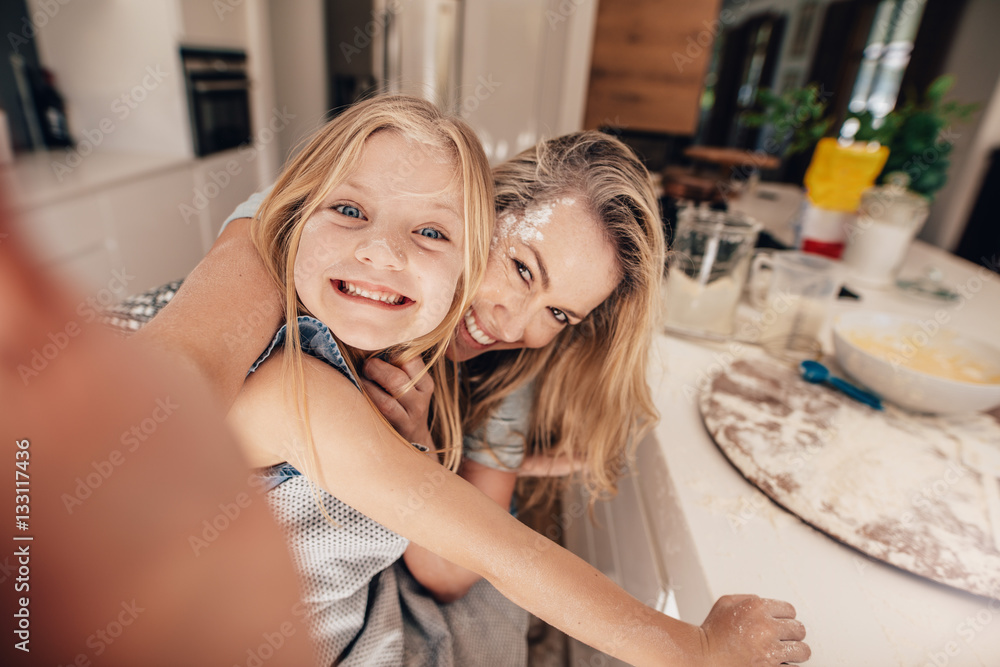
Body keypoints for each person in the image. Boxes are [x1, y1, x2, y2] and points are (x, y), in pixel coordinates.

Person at [137, 102, 811, 665]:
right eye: (520, 267)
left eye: (558, 313)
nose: (511, 321)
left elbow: (462, 557)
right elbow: (170, 383)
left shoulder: (504, 366)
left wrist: (424, 453)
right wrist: (693, 648)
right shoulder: (290, 280)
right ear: (475, 218)